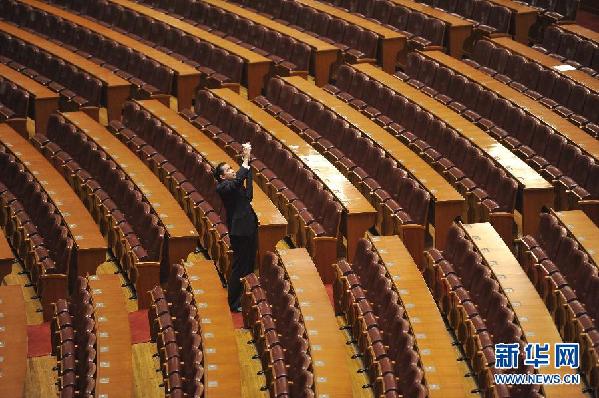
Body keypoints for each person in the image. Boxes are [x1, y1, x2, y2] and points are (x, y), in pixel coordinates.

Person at [214, 143, 258, 312]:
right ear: (222, 176)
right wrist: (245, 160)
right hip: (240, 232)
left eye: (232, 167)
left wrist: (248, 168)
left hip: (249, 226)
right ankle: (233, 302)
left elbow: (248, 195)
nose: (232, 170)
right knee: (240, 266)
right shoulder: (224, 187)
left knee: (249, 264)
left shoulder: (233, 185)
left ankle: (246, 297)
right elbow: (238, 181)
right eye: (228, 169)